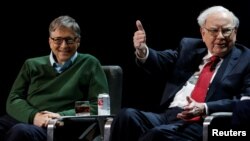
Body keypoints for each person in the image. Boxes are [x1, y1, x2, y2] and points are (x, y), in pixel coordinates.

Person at [109, 5, 250, 141]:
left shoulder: (246, 59)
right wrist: (142, 49)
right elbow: (160, 60)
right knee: (126, 116)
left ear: (235, 32)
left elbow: (246, 102)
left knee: (158, 135)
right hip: (169, 115)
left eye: (226, 30)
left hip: (205, 122)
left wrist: (205, 107)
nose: (220, 36)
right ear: (203, 32)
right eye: (214, 30)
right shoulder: (189, 47)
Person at [0, 15, 109, 141]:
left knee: (21, 131)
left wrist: (62, 115)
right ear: (50, 41)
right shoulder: (32, 64)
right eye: (58, 40)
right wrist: (34, 116)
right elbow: (13, 99)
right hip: (29, 117)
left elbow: (97, 106)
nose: (63, 46)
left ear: (78, 41)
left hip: (59, 126)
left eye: (69, 40)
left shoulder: (89, 63)